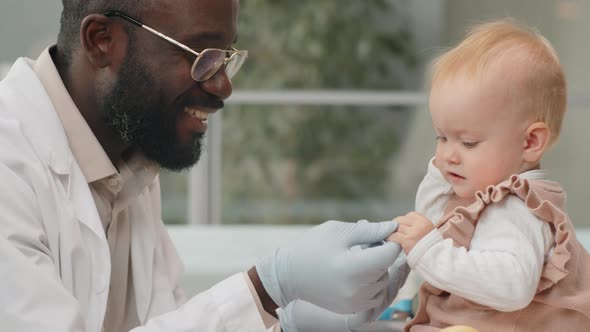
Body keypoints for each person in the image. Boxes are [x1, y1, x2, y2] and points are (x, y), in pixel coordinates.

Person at [0, 1, 408, 331]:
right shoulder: (10, 163)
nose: (223, 84)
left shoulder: (131, 157)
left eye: (227, 55)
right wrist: (266, 289)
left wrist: (284, 322)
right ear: (101, 40)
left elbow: (167, 321)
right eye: (201, 55)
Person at [387, 19, 590, 331]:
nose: (447, 154)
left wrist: (428, 248)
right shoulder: (478, 186)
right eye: (441, 137)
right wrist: (439, 181)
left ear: (530, 142)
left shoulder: (516, 209)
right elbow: (437, 221)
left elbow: (511, 288)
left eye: (468, 142)